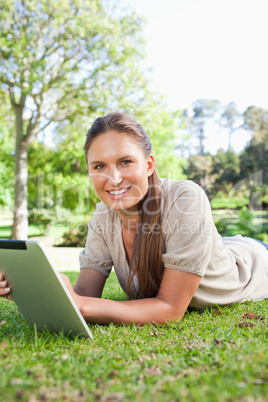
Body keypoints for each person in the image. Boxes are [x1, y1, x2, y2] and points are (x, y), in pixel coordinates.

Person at [1, 113, 268, 325]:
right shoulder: (103, 216)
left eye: (125, 161)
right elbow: (84, 294)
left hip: (255, 263)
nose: (113, 178)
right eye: (99, 166)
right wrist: (36, 287)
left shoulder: (184, 198)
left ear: (149, 165)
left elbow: (170, 309)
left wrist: (80, 304)